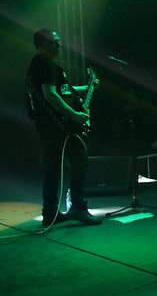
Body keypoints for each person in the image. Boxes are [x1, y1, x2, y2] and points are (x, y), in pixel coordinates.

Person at [25, 29, 103, 226]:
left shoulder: (36, 65)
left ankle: (50, 212)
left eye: (59, 41)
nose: (59, 45)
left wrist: (87, 87)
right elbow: (50, 94)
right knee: (79, 160)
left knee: (53, 167)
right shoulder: (46, 64)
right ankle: (77, 207)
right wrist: (74, 115)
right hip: (59, 126)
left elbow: (62, 90)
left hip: (46, 125)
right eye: (54, 41)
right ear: (42, 44)